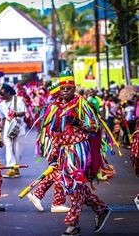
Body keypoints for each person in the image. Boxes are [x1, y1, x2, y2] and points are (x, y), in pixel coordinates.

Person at [52, 70, 111, 236]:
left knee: (76, 185)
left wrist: (78, 122)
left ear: (74, 88)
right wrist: (55, 154)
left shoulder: (82, 104)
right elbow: (56, 132)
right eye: (63, 88)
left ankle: (73, 224)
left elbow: (95, 127)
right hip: (64, 151)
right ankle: (101, 209)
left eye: (69, 88)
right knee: (70, 187)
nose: (65, 91)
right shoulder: (56, 107)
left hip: (79, 150)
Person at [27, 80, 70, 213]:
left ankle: (38, 195)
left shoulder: (59, 106)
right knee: (59, 173)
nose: (67, 94)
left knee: (56, 173)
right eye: (64, 91)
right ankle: (57, 203)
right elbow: (56, 131)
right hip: (56, 146)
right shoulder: (56, 108)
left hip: (59, 146)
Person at [0, 84, 27, 178]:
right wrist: (2, 130)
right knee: (9, 147)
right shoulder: (1, 104)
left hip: (18, 124)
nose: (1, 96)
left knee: (18, 149)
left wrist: (16, 114)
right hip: (8, 124)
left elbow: (23, 112)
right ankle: (11, 168)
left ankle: (16, 168)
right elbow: (2, 118)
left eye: (3, 94)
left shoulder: (18, 100)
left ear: (8, 92)